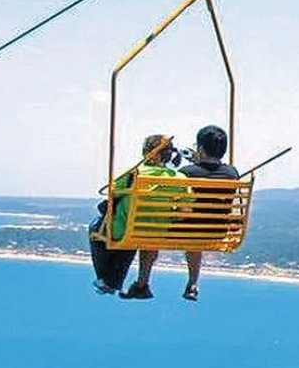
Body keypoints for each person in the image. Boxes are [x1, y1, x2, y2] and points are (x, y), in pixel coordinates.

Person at [120, 125, 238, 301]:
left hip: (183, 231)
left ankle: (142, 283)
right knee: (196, 235)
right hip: (215, 231)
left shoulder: (186, 173)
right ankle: (192, 285)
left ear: (200, 148)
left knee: (155, 226)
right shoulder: (232, 173)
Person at [90, 134, 179, 294]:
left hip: (127, 230)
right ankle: (110, 282)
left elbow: (112, 192)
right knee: (132, 233)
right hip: (158, 232)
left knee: (97, 228)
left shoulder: (135, 174)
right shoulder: (178, 178)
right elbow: (187, 205)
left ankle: (106, 279)